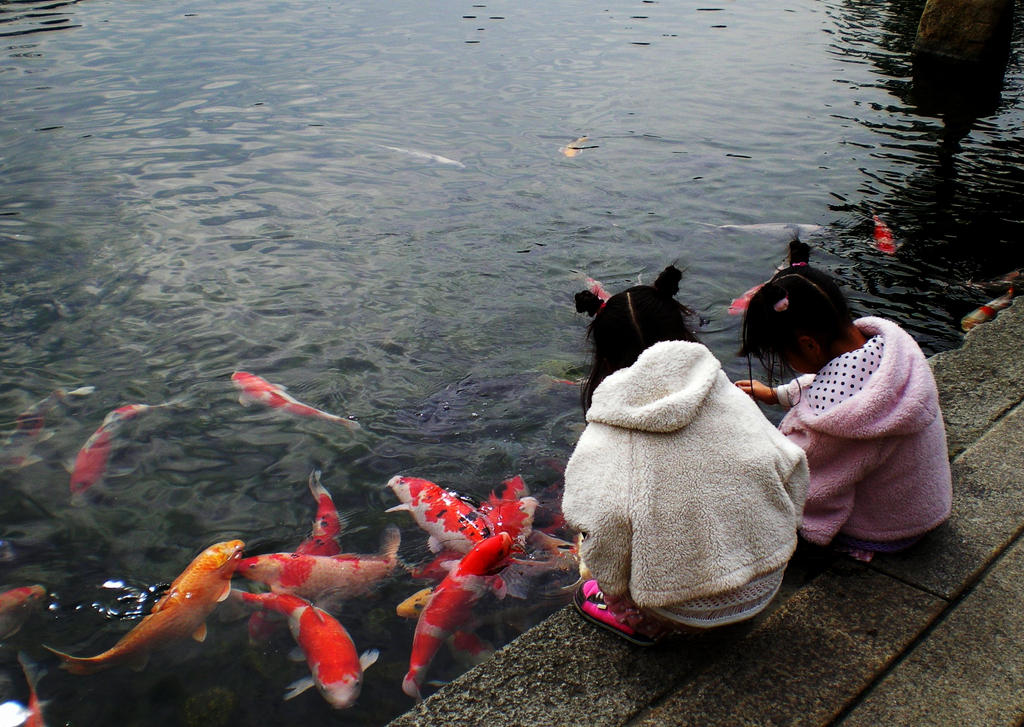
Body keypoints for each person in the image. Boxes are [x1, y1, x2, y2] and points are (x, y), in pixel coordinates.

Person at [562, 265, 809, 645]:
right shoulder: (727, 395)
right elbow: (793, 465)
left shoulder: (604, 436)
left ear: (605, 361)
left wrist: (609, 582)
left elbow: (603, 529)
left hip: (676, 608)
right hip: (764, 583)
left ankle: (642, 622)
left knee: (596, 571)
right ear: (683, 336)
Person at [736, 241, 952, 562]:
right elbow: (827, 380)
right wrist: (777, 394)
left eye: (782, 354)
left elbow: (807, 483)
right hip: (924, 503)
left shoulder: (835, 419)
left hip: (886, 529)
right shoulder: (887, 349)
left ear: (808, 345)